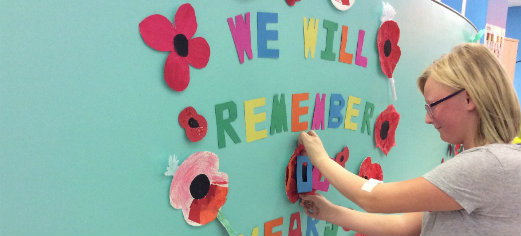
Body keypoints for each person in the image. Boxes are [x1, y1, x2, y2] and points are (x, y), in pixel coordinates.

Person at [297, 43, 521, 236]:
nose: (427, 119)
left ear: (469, 98)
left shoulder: (487, 165)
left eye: (432, 106)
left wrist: (321, 159)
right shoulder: (500, 164)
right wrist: (330, 213)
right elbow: (405, 225)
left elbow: (375, 198)